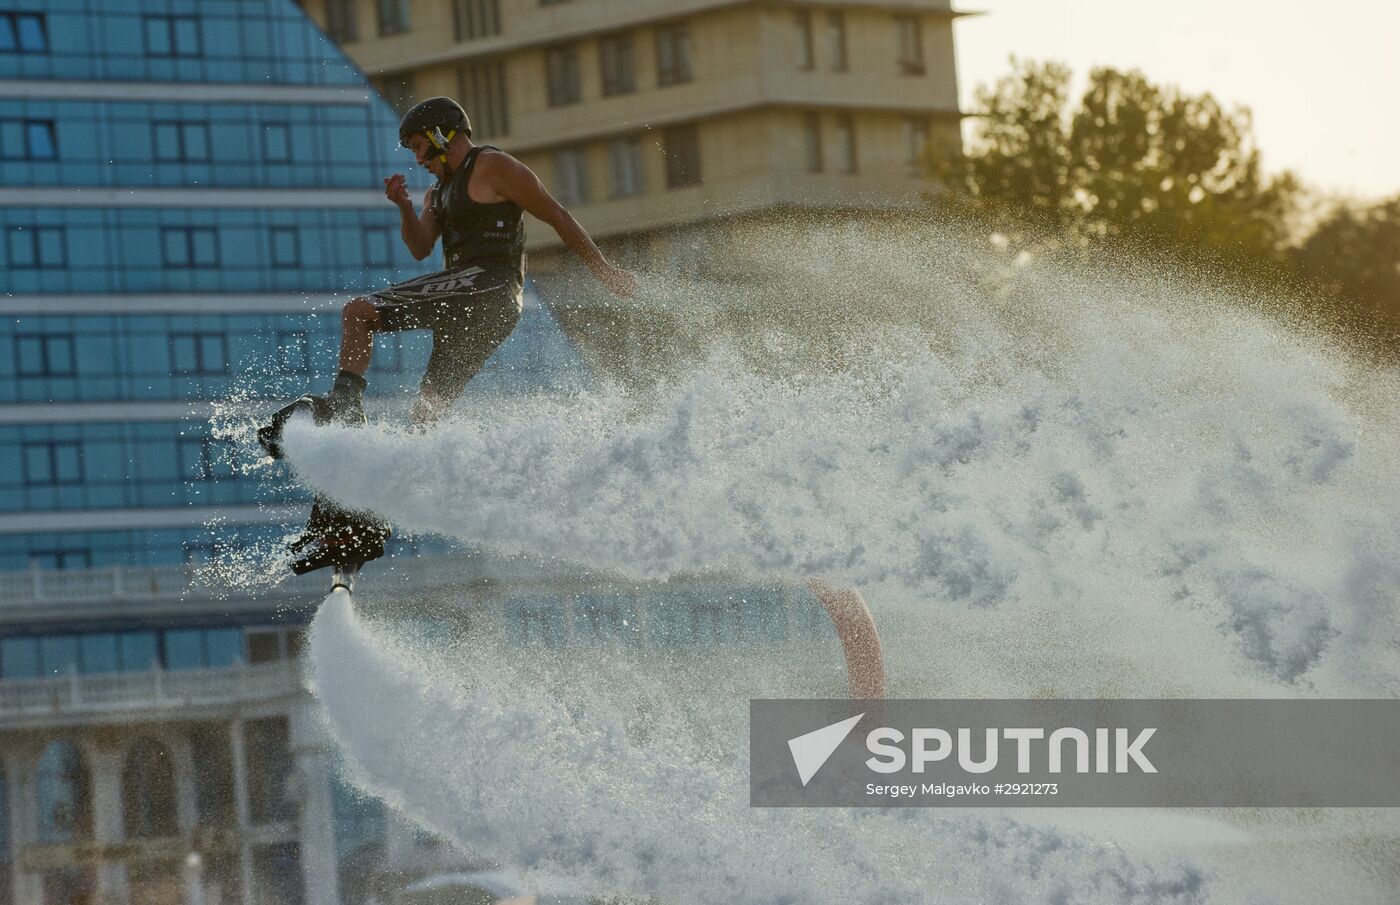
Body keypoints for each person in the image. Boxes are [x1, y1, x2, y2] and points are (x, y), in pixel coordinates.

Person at [258, 96, 635, 572]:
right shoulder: (437, 192)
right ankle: (365, 520)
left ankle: (346, 406)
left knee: (359, 311)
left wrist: (601, 268)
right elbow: (420, 248)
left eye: (419, 146)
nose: (417, 159)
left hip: (487, 287)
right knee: (423, 424)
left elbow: (555, 213)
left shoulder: (492, 165)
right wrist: (402, 206)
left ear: (442, 133)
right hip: (479, 309)